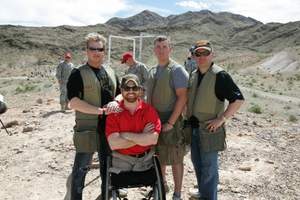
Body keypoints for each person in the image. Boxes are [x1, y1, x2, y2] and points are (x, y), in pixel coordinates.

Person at [186, 40, 245, 200]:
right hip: (193, 128)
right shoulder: (193, 75)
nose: (202, 56)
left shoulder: (220, 75)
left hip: (210, 130)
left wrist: (222, 119)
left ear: (212, 54)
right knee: (198, 164)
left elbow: (238, 100)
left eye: (206, 52)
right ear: (194, 56)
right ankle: (203, 194)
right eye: (198, 53)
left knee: (209, 168)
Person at [67, 32, 120, 200]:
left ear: (104, 51)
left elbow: (119, 94)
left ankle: (106, 196)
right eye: (93, 49)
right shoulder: (77, 73)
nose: (96, 52)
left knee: (108, 168)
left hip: (109, 128)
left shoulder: (110, 72)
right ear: (86, 50)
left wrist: (116, 102)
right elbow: (73, 102)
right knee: (81, 170)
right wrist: (99, 111)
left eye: (100, 49)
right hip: (88, 129)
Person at [147, 36, 189, 200]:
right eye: (158, 47)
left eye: (165, 46)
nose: (161, 50)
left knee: (176, 158)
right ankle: (161, 186)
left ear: (170, 49)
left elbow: (182, 97)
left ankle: (177, 194)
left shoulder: (177, 70)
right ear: (154, 50)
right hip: (154, 121)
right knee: (159, 157)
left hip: (172, 121)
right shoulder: (153, 71)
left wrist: (171, 122)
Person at [105, 74, 161, 173]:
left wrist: (125, 135)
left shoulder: (149, 111)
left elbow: (153, 139)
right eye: (127, 88)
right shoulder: (114, 113)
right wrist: (142, 137)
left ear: (139, 90)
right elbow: (114, 144)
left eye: (134, 88)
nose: (131, 91)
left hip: (145, 160)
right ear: (121, 91)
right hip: (121, 160)